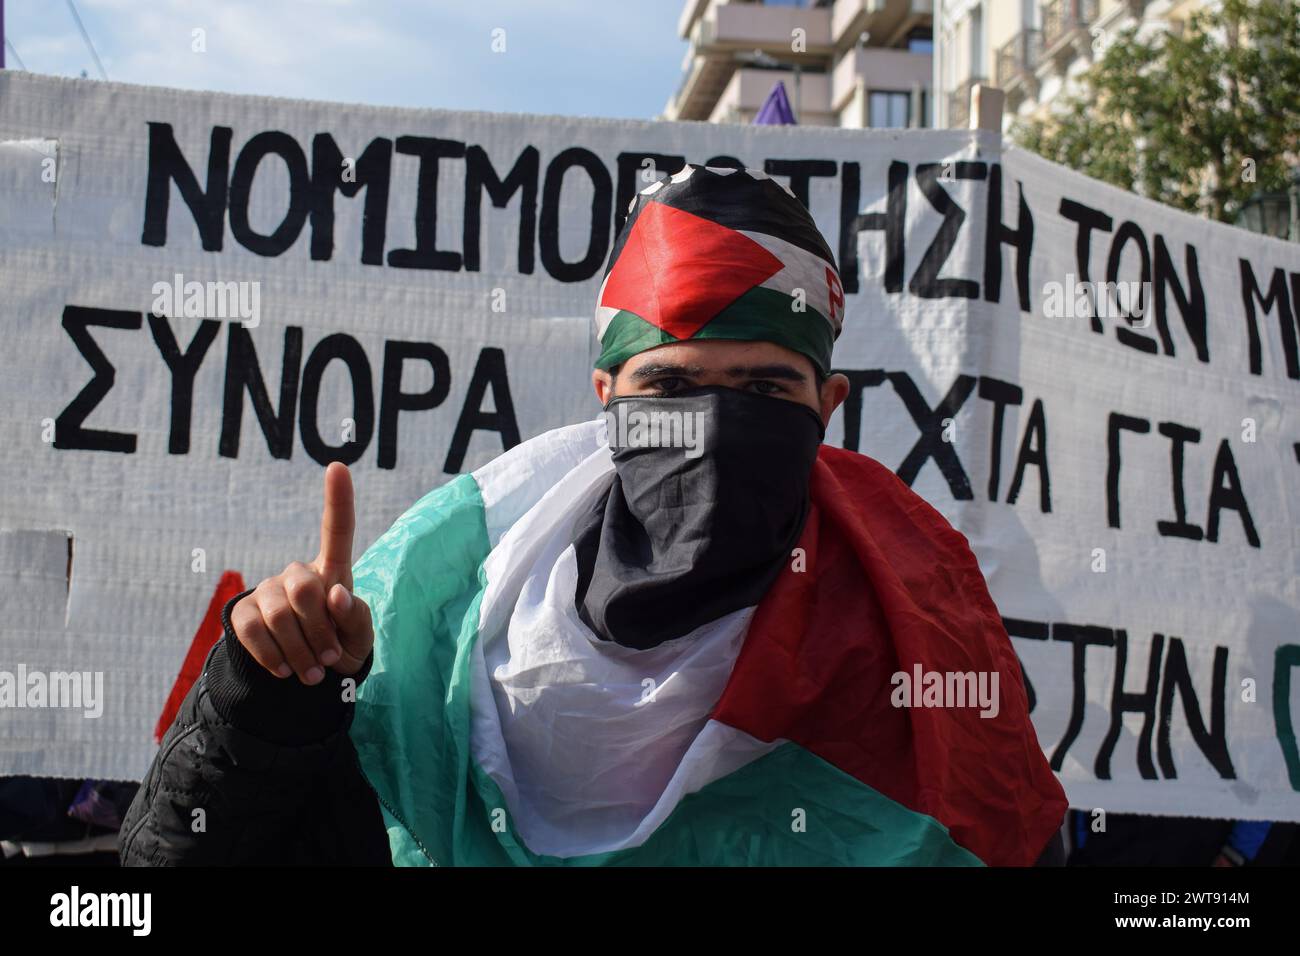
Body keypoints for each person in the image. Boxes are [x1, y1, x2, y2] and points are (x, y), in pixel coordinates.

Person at [120, 164, 1066, 866]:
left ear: (830, 406)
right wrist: (274, 699)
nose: (714, 422)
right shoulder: (439, 606)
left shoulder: (926, 622)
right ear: (608, 397)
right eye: (673, 385)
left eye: (763, 387)